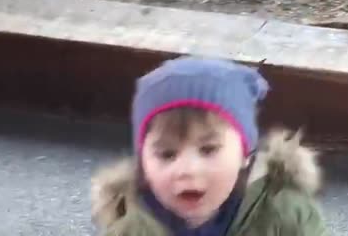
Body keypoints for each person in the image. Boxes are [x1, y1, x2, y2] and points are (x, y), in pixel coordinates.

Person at [89, 56, 330, 235]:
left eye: (208, 150)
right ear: (144, 162)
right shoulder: (132, 225)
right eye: (167, 154)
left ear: (245, 153)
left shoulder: (285, 213)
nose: (187, 169)